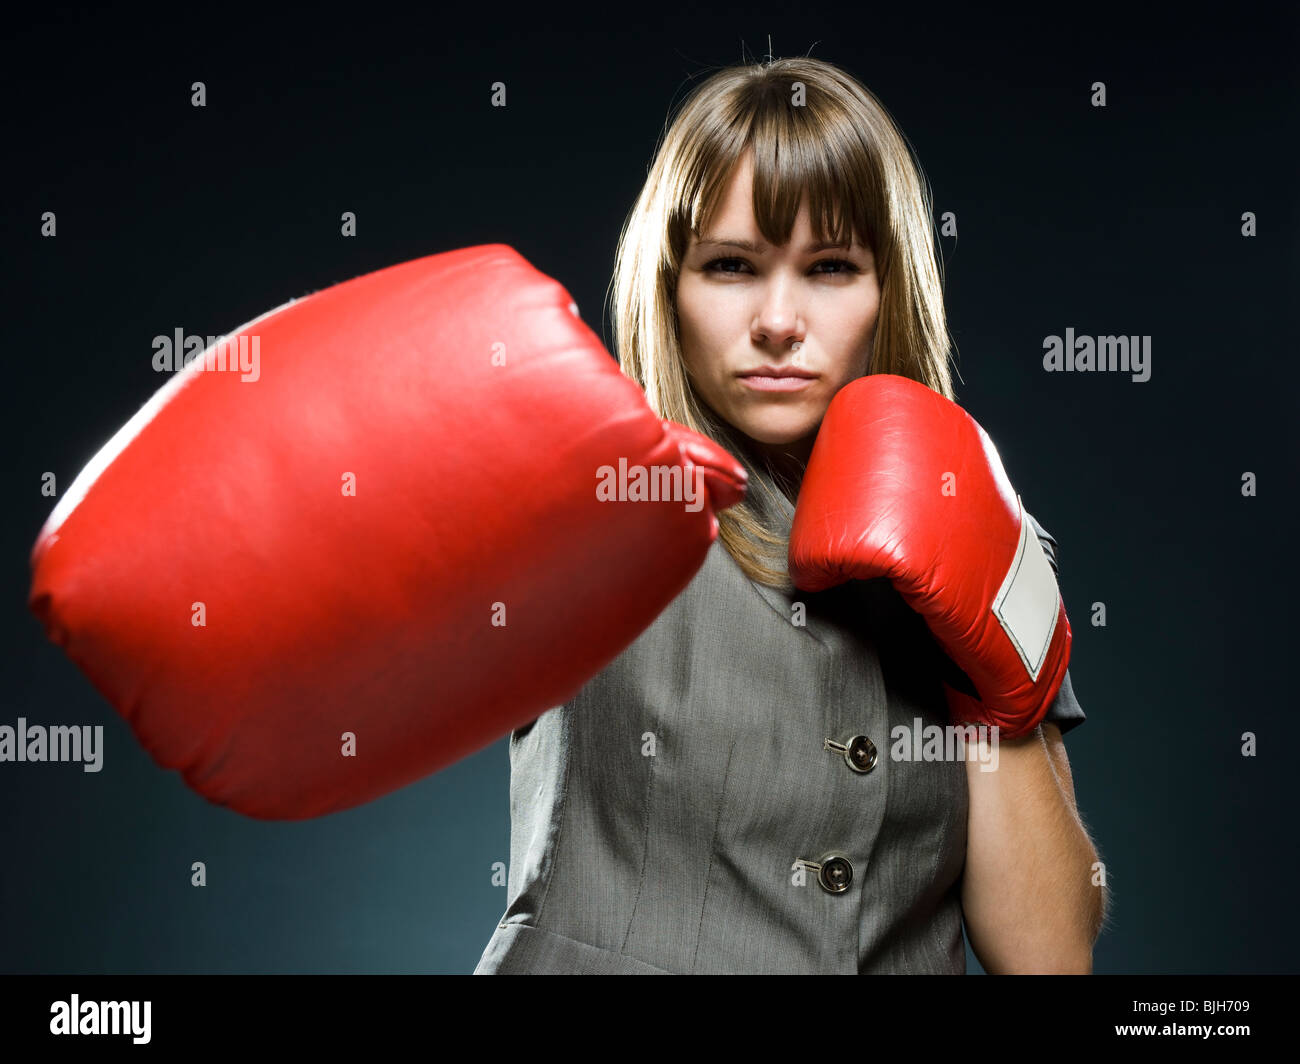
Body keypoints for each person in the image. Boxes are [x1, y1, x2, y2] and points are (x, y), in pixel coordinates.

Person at [474, 56, 1106, 975]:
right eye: (731, 266)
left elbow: (1049, 957)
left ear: (889, 288)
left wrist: (992, 693)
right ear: (671, 286)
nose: (778, 319)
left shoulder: (971, 514)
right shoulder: (584, 493)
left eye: (830, 267)